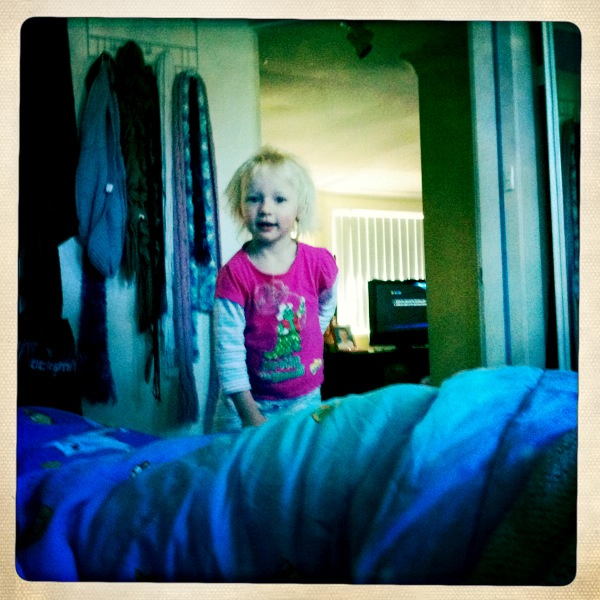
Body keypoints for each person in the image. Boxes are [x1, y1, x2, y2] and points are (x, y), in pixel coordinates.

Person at [213, 146, 338, 431]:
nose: (265, 209)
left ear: (299, 208)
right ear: (240, 207)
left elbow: (327, 300)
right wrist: (249, 415)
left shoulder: (319, 263)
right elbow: (228, 352)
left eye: (279, 199)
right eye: (254, 199)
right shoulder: (233, 275)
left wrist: (311, 332)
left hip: (305, 401)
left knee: (298, 460)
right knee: (232, 460)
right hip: (245, 406)